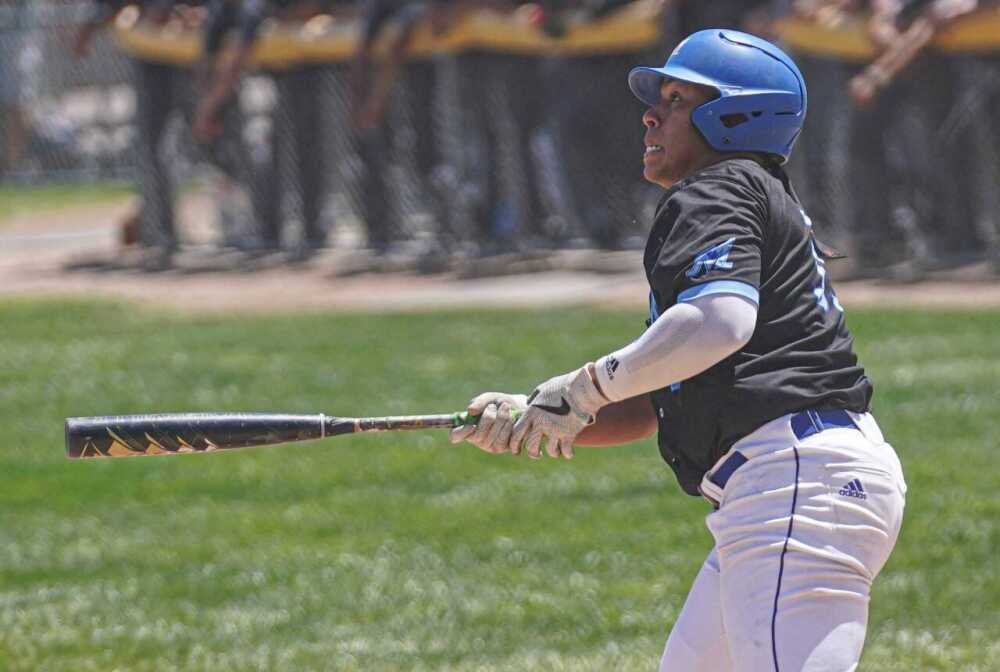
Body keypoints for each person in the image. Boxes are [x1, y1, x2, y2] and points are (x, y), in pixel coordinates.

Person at [450, 29, 907, 671]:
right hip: (794, 485)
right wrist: (543, 415)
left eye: (675, 99)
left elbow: (721, 323)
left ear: (734, 116)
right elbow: (655, 403)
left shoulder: (718, 189)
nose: (650, 114)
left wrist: (585, 385)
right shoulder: (747, 198)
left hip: (795, 487)